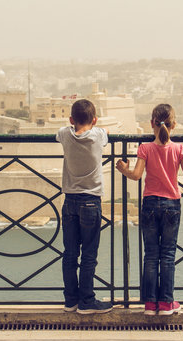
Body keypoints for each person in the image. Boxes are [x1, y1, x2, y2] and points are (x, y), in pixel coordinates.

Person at [116, 104, 183, 316]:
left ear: (151, 124)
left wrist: (124, 169)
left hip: (150, 204)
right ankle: (167, 303)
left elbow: (136, 176)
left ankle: (150, 304)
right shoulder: (179, 149)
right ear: (174, 125)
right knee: (167, 255)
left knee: (151, 255)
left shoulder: (145, 148)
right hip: (171, 205)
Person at [56, 99, 113, 314]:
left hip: (70, 201)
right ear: (95, 120)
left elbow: (61, 132)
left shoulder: (64, 134)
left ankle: (71, 300)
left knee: (70, 253)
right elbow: (104, 131)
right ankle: (87, 301)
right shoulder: (98, 136)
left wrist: (71, 126)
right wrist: (100, 127)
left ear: (71, 119)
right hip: (90, 201)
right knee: (89, 254)